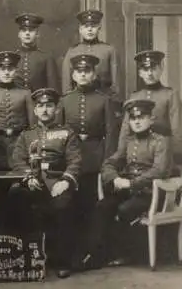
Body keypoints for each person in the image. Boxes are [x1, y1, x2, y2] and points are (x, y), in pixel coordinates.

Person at [74, 99, 173, 271]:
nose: (137, 121)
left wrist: (132, 183)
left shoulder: (160, 141)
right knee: (103, 206)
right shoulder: (128, 141)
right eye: (133, 118)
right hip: (129, 190)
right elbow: (109, 163)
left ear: (151, 119)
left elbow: (160, 170)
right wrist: (114, 179)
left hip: (152, 192)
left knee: (124, 210)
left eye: (141, 117)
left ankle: (125, 253)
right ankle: (96, 254)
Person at [7, 88, 81, 279]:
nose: (45, 110)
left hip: (57, 182)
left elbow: (75, 161)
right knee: (16, 197)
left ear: (56, 109)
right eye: (41, 106)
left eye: (49, 105)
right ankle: (24, 257)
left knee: (64, 206)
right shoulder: (26, 135)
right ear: (35, 110)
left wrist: (66, 180)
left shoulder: (67, 133)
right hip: (33, 182)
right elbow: (17, 160)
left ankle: (63, 261)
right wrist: (28, 177)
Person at [58, 54, 118, 222]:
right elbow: (57, 133)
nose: (83, 74)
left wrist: (107, 161)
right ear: (73, 75)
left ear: (94, 75)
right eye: (79, 71)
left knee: (93, 204)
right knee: (70, 204)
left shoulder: (104, 100)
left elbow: (111, 133)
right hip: (70, 158)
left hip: (95, 157)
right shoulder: (65, 101)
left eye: (87, 71)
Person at [119, 50, 182, 168]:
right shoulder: (135, 96)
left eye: (153, 69)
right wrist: (121, 153)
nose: (150, 73)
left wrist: (177, 154)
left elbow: (178, 128)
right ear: (140, 72)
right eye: (145, 70)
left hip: (163, 153)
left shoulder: (170, 95)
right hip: (139, 153)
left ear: (161, 69)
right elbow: (126, 128)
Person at [61, 10, 118, 95]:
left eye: (93, 26)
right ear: (80, 29)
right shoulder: (72, 51)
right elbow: (67, 85)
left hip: (103, 97)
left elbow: (116, 84)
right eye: (86, 26)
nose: (90, 29)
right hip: (78, 98)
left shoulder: (109, 50)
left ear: (99, 28)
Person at [14, 13, 60, 92]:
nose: (27, 33)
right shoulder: (13, 58)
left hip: (39, 103)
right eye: (24, 30)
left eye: (31, 30)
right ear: (19, 34)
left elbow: (53, 89)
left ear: (37, 34)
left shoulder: (46, 58)